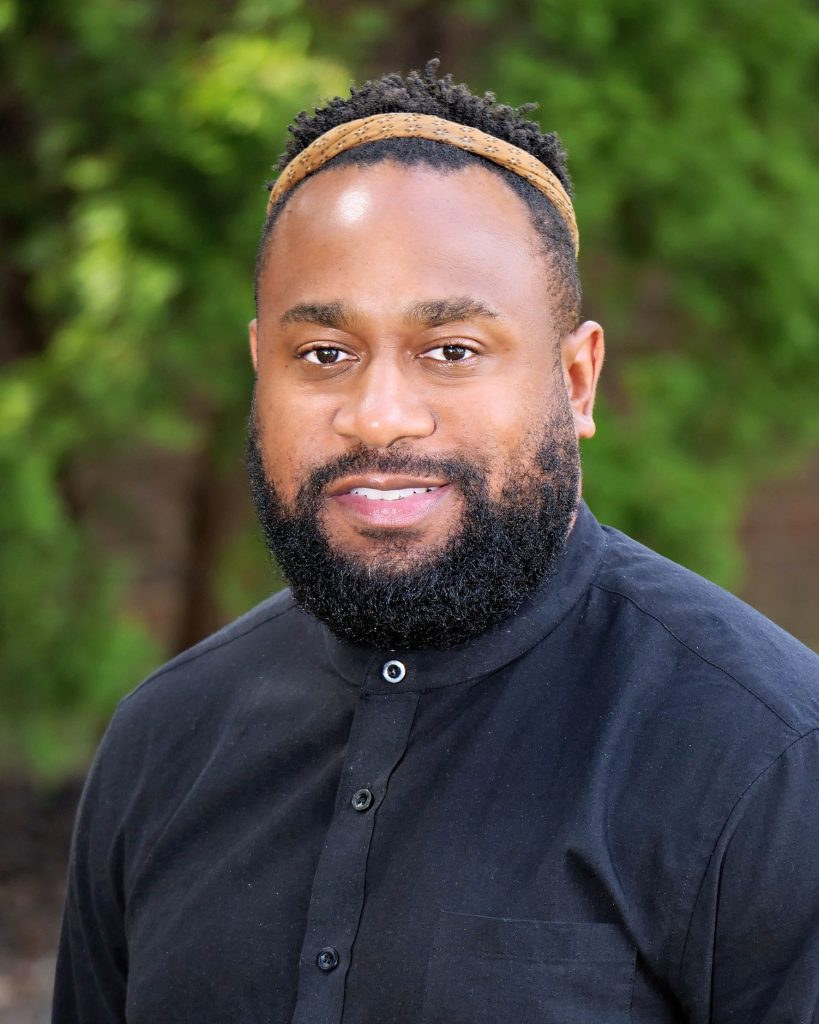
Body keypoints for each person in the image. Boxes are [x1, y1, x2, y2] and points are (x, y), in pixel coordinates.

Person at [53, 62, 819, 1024]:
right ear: (259, 369)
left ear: (575, 381)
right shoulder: (163, 741)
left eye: (451, 351)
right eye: (323, 354)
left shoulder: (767, 758)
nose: (378, 415)